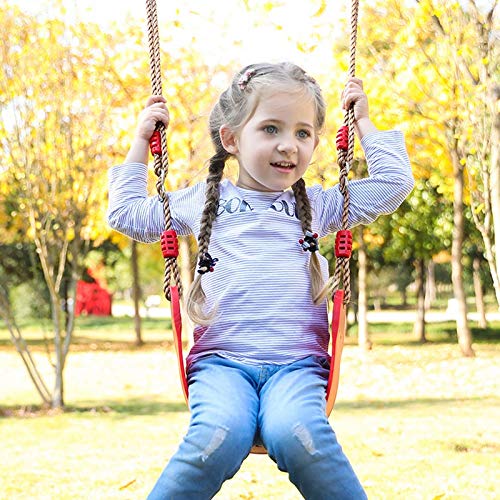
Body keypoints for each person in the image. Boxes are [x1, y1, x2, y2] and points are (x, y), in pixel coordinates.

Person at [107, 62, 414, 499]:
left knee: (299, 435)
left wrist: (363, 123)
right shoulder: (202, 201)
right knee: (218, 435)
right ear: (232, 138)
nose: (289, 144)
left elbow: (394, 183)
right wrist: (141, 141)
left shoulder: (323, 206)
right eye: (271, 129)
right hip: (221, 365)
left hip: (297, 367)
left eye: (303, 133)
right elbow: (126, 213)